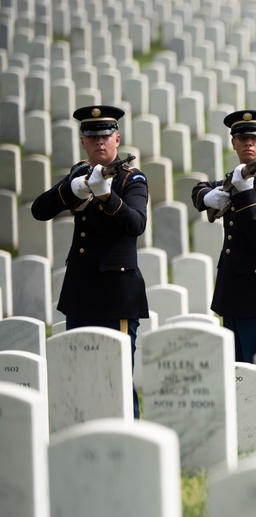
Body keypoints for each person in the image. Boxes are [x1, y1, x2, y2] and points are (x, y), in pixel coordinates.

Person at [31, 104, 148, 418]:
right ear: (82, 141)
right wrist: (71, 189)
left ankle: (130, 435)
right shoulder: (78, 174)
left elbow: (136, 224)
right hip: (82, 291)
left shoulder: (131, 179)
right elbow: (39, 210)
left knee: (118, 377)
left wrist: (107, 196)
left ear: (117, 140)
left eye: (106, 136)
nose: (100, 142)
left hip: (118, 293)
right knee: (80, 374)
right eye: (92, 136)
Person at [191, 109, 256, 363]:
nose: (248, 142)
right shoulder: (236, 178)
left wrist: (246, 192)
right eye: (242, 137)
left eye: (255, 138)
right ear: (233, 142)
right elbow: (198, 189)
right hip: (233, 295)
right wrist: (207, 197)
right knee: (237, 380)